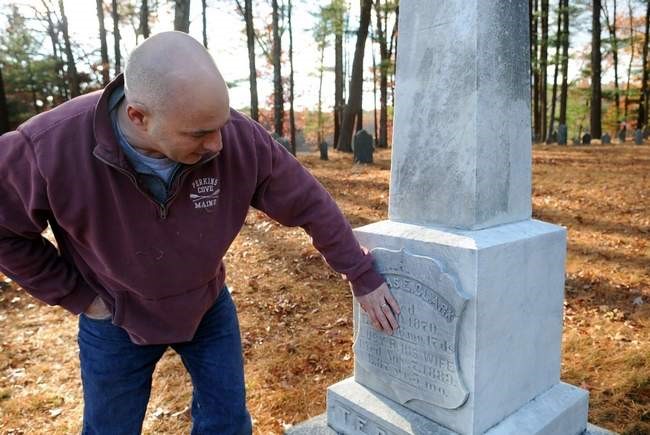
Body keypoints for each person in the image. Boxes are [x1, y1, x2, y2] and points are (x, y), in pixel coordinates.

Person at [0, 32, 399, 434]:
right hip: (116, 318)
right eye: (198, 134)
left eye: (220, 126)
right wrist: (79, 297)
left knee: (226, 423)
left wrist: (360, 274)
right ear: (138, 116)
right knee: (110, 428)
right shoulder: (49, 148)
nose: (217, 144)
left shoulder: (238, 140)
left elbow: (309, 202)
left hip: (207, 307)